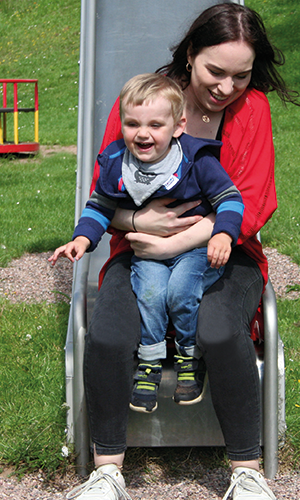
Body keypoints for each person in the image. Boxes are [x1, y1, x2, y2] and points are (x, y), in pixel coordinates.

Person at [67, 4, 298, 500]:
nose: (226, 87)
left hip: (223, 250)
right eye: (215, 71)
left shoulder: (252, 110)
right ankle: (107, 473)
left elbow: (252, 203)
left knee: (218, 327)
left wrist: (177, 239)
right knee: (107, 335)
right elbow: (103, 190)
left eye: (241, 75)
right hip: (142, 249)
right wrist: (135, 222)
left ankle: (247, 471)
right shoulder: (145, 102)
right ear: (190, 55)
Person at [50, 73, 244, 414]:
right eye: (132, 124)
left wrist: (224, 234)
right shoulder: (117, 163)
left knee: (181, 291)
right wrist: (81, 238)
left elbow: (230, 199)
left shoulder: (196, 161)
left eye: (156, 125)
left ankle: (188, 357)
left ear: (178, 126)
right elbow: (100, 205)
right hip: (148, 252)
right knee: (151, 293)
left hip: (194, 250)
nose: (143, 134)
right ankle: (151, 361)